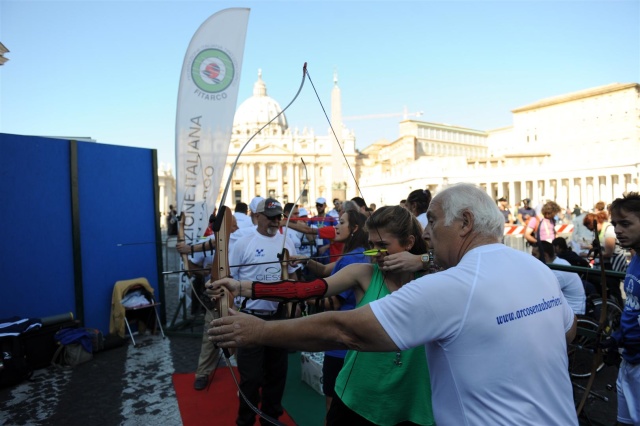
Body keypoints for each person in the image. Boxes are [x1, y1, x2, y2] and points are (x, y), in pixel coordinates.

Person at [208, 183, 578, 425]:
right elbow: (568, 331)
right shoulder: (537, 269)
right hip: (361, 399)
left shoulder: (442, 282)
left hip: (413, 406)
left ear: (464, 223)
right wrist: (243, 286)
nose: (428, 232)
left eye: (431, 222)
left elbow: (343, 328)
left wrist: (258, 330)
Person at [208, 206, 435, 425]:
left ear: (408, 243)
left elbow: (467, 267)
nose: (375, 254)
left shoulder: (433, 278)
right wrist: (239, 287)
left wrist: (423, 260)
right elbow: (304, 290)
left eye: (383, 245)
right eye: (372, 245)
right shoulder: (363, 273)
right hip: (358, 393)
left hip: (409, 397)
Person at [220, 197, 300, 426]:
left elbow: (293, 275)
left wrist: (296, 305)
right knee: (251, 378)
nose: (276, 221)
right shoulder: (243, 243)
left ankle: (271, 419)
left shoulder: (287, 241)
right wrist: (228, 318)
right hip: (248, 318)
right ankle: (245, 420)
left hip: (279, 318)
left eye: (279, 217)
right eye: (271, 217)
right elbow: (229, 283)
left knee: (277, 375)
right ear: (257, 217)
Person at [605, 192, 640, 426]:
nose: (617, 230)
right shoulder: (635, 259)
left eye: (625, 224)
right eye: (615, 224)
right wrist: (617, 338)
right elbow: (632, 309)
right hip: (629, 361)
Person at [532, 241, 586, 315]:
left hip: (574, 312)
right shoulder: (558, 262)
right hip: (567, 308)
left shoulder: (557, 272)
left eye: (534, 255)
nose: (531, 257)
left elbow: (540, 293)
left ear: (545, 256)